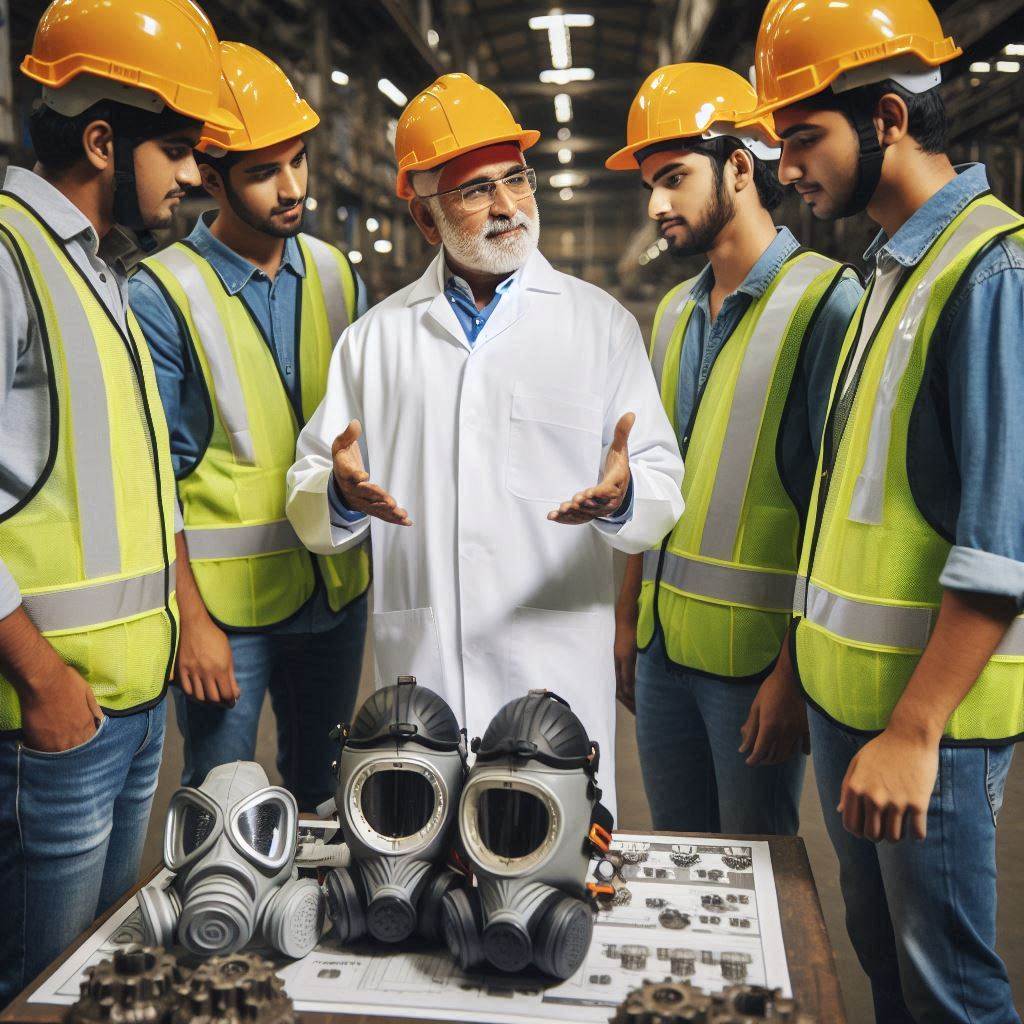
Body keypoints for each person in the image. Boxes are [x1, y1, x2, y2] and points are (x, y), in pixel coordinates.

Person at [285, 73, 685, 812]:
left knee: (553, 888)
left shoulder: (598, 327)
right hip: (421, 685)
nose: (507, 206)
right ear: (427, 218)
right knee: (416, 884)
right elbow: (311, 500)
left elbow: (661, 480)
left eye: (516, 180)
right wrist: (338, 493)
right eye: (476, 191)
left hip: (554, 676)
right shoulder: (374, 344)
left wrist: (626, 495)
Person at [743, 0, 1024, 1019]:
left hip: (924, 728)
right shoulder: (883, 275)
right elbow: (842, 508)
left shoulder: (990, 271)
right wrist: (798, 667)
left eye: (803, 137)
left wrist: (915, 729)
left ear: (890, 122)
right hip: (844, 706)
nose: (786, 168)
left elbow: (1004, 539)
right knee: (884, 963)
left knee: (949, 986)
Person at [0, 0, 239, 1003]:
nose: (195, 176)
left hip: (129, 717)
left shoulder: (104, 269)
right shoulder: (10, 255)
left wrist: (190, 609)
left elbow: (142, 481)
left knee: (97, 981)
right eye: (178, 149)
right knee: (36, 992)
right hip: (51, 721)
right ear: (102, 139)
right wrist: (44, 682)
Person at [607, 63, 862, 835]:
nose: (656, 204)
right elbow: (650, 478)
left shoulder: (827, 303)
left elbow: (836, 514)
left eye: (674, 178)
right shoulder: (675, 316)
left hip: (754, 669)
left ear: (741, 168)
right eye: (649, 183)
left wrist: (793, 675)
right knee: (683, 868)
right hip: (663, 658)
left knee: (762, 879)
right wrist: (627, 621)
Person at [129, 43, 370, 812]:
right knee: (221, 808)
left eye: (297, 161)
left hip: (333, 595)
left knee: (326, 801)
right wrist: (188, 621)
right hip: (227, 618)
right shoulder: (161, 293)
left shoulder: (336, 274)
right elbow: (150, 482)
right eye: (265, 171)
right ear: (209, 172)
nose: (292, 187)